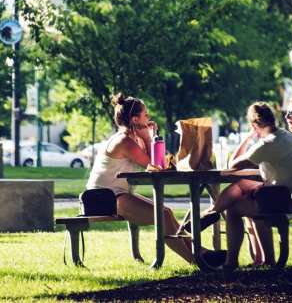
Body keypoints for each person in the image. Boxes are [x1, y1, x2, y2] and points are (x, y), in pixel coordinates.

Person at [86, 93, 225, 266]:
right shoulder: (124, 141)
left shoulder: (134, 139)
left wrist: (149, 137)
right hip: (100, 199)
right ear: (135, 119)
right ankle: (197, 260)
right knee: (163, 216)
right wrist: (148, 136)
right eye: (146, 114)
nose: (149, 117)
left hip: (116, 195)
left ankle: (200, 252)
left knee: (166, 213)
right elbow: (156, 166)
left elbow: (161, 162)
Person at [191, 102, 292, 270]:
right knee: (243, 185)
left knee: (234, 209)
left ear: (254, 124)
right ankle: (213, 212)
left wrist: (248, 137)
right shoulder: (286, 135)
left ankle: (230, 260)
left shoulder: (268, 143)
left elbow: (233, 163)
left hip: (291, 200)